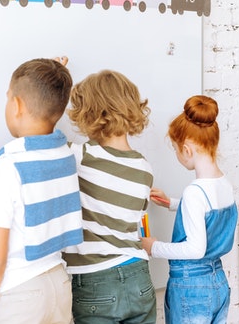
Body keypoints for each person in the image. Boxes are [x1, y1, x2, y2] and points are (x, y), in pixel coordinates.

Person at [0, 58, 84, 324]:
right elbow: (28, 180)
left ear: (17, 105)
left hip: (18, 296)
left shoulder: (6, 167)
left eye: (8, 97)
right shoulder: (64, 154)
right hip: (58, 285)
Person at [61, 69, 157, 324]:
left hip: (95, 281)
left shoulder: (80, 156)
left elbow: (31, 158)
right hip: (139, 276)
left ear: (90, 114)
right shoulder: (144, 167)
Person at [141, 95, 237, 324]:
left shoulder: (195, 192)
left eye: (175, 149)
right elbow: (209, 213)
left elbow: (195, 249)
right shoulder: (224, 184)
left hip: (191, 287)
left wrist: (154, 247)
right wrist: (174, 203)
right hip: (218, 282)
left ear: (186, 150)